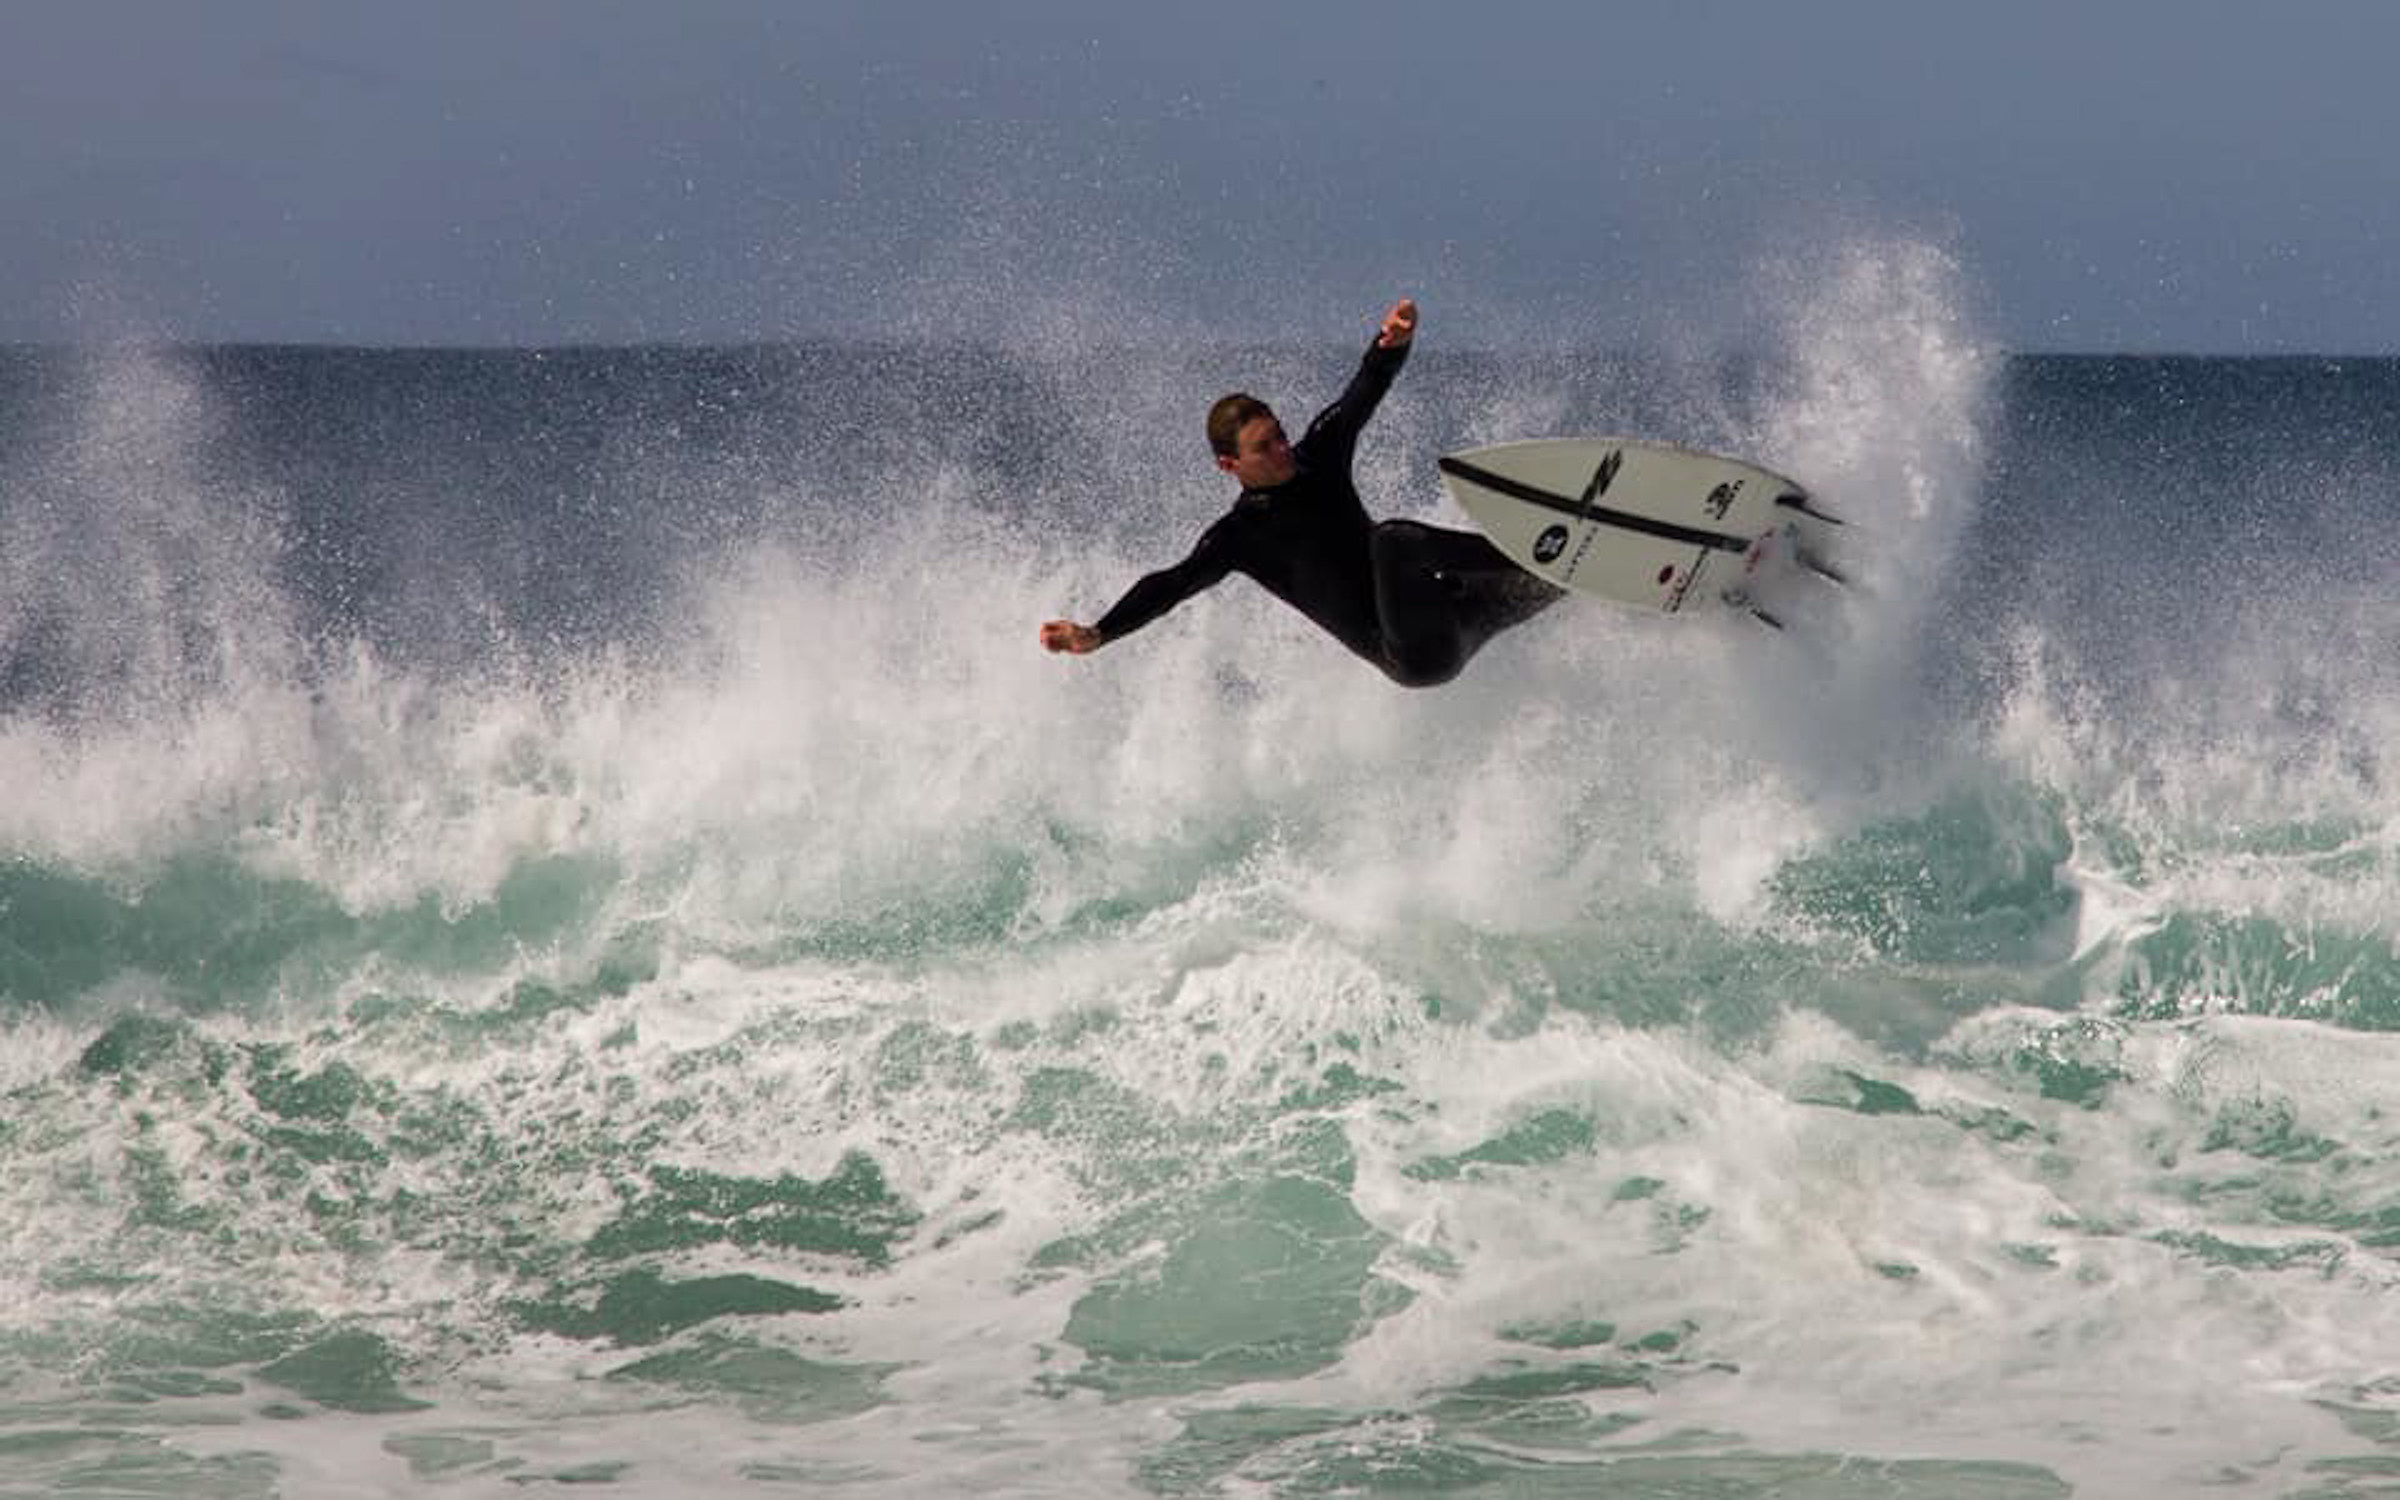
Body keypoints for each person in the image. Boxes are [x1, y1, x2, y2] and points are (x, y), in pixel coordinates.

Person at [1038, 298, 1562, 688]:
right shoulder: (1238, 538)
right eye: (1264, 447)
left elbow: (1363, 391)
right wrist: (1099, 633)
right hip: (1417, 654)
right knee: (1393, 542)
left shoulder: (1321, 454)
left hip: (1457, 605)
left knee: (1577, 577)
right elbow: (1169, 585)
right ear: (1231, 465)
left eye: (1280, 435)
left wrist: (1391, 344)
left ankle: (1597, 571)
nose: (1283, 449)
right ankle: (1538, 553)